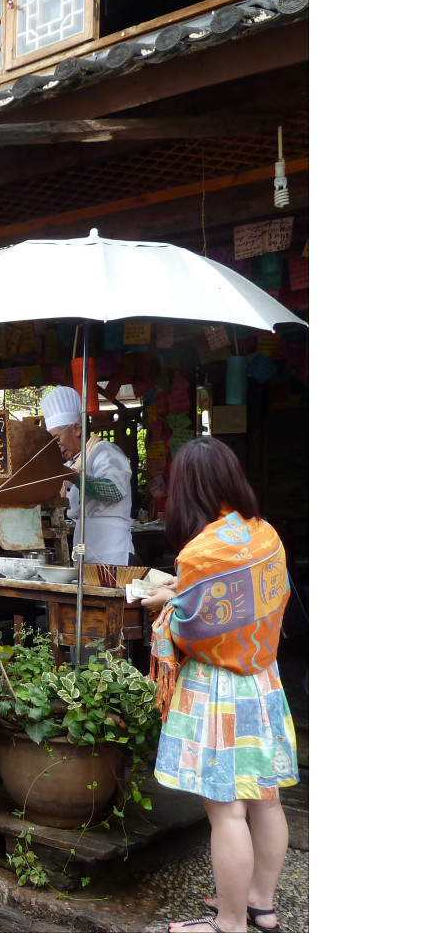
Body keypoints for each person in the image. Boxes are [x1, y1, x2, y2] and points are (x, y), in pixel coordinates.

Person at [141, 437, 297, 933]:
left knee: (227, 813)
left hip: (218, 690)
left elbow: (189, 630)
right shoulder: (267, 534)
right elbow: (272, 597)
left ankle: (227, 924)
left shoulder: (201, 552)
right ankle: (261, 906)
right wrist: (182, 594)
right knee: (266, 799)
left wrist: (163, 604)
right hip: (263, 681)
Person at [41, 385, 133, 564]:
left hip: (112, 547)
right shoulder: (70, 462)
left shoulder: (104, 451)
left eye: (57, 439)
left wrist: (71, 476)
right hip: (83, 543)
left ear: (76, 429)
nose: (56, 446)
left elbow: (113, 490)